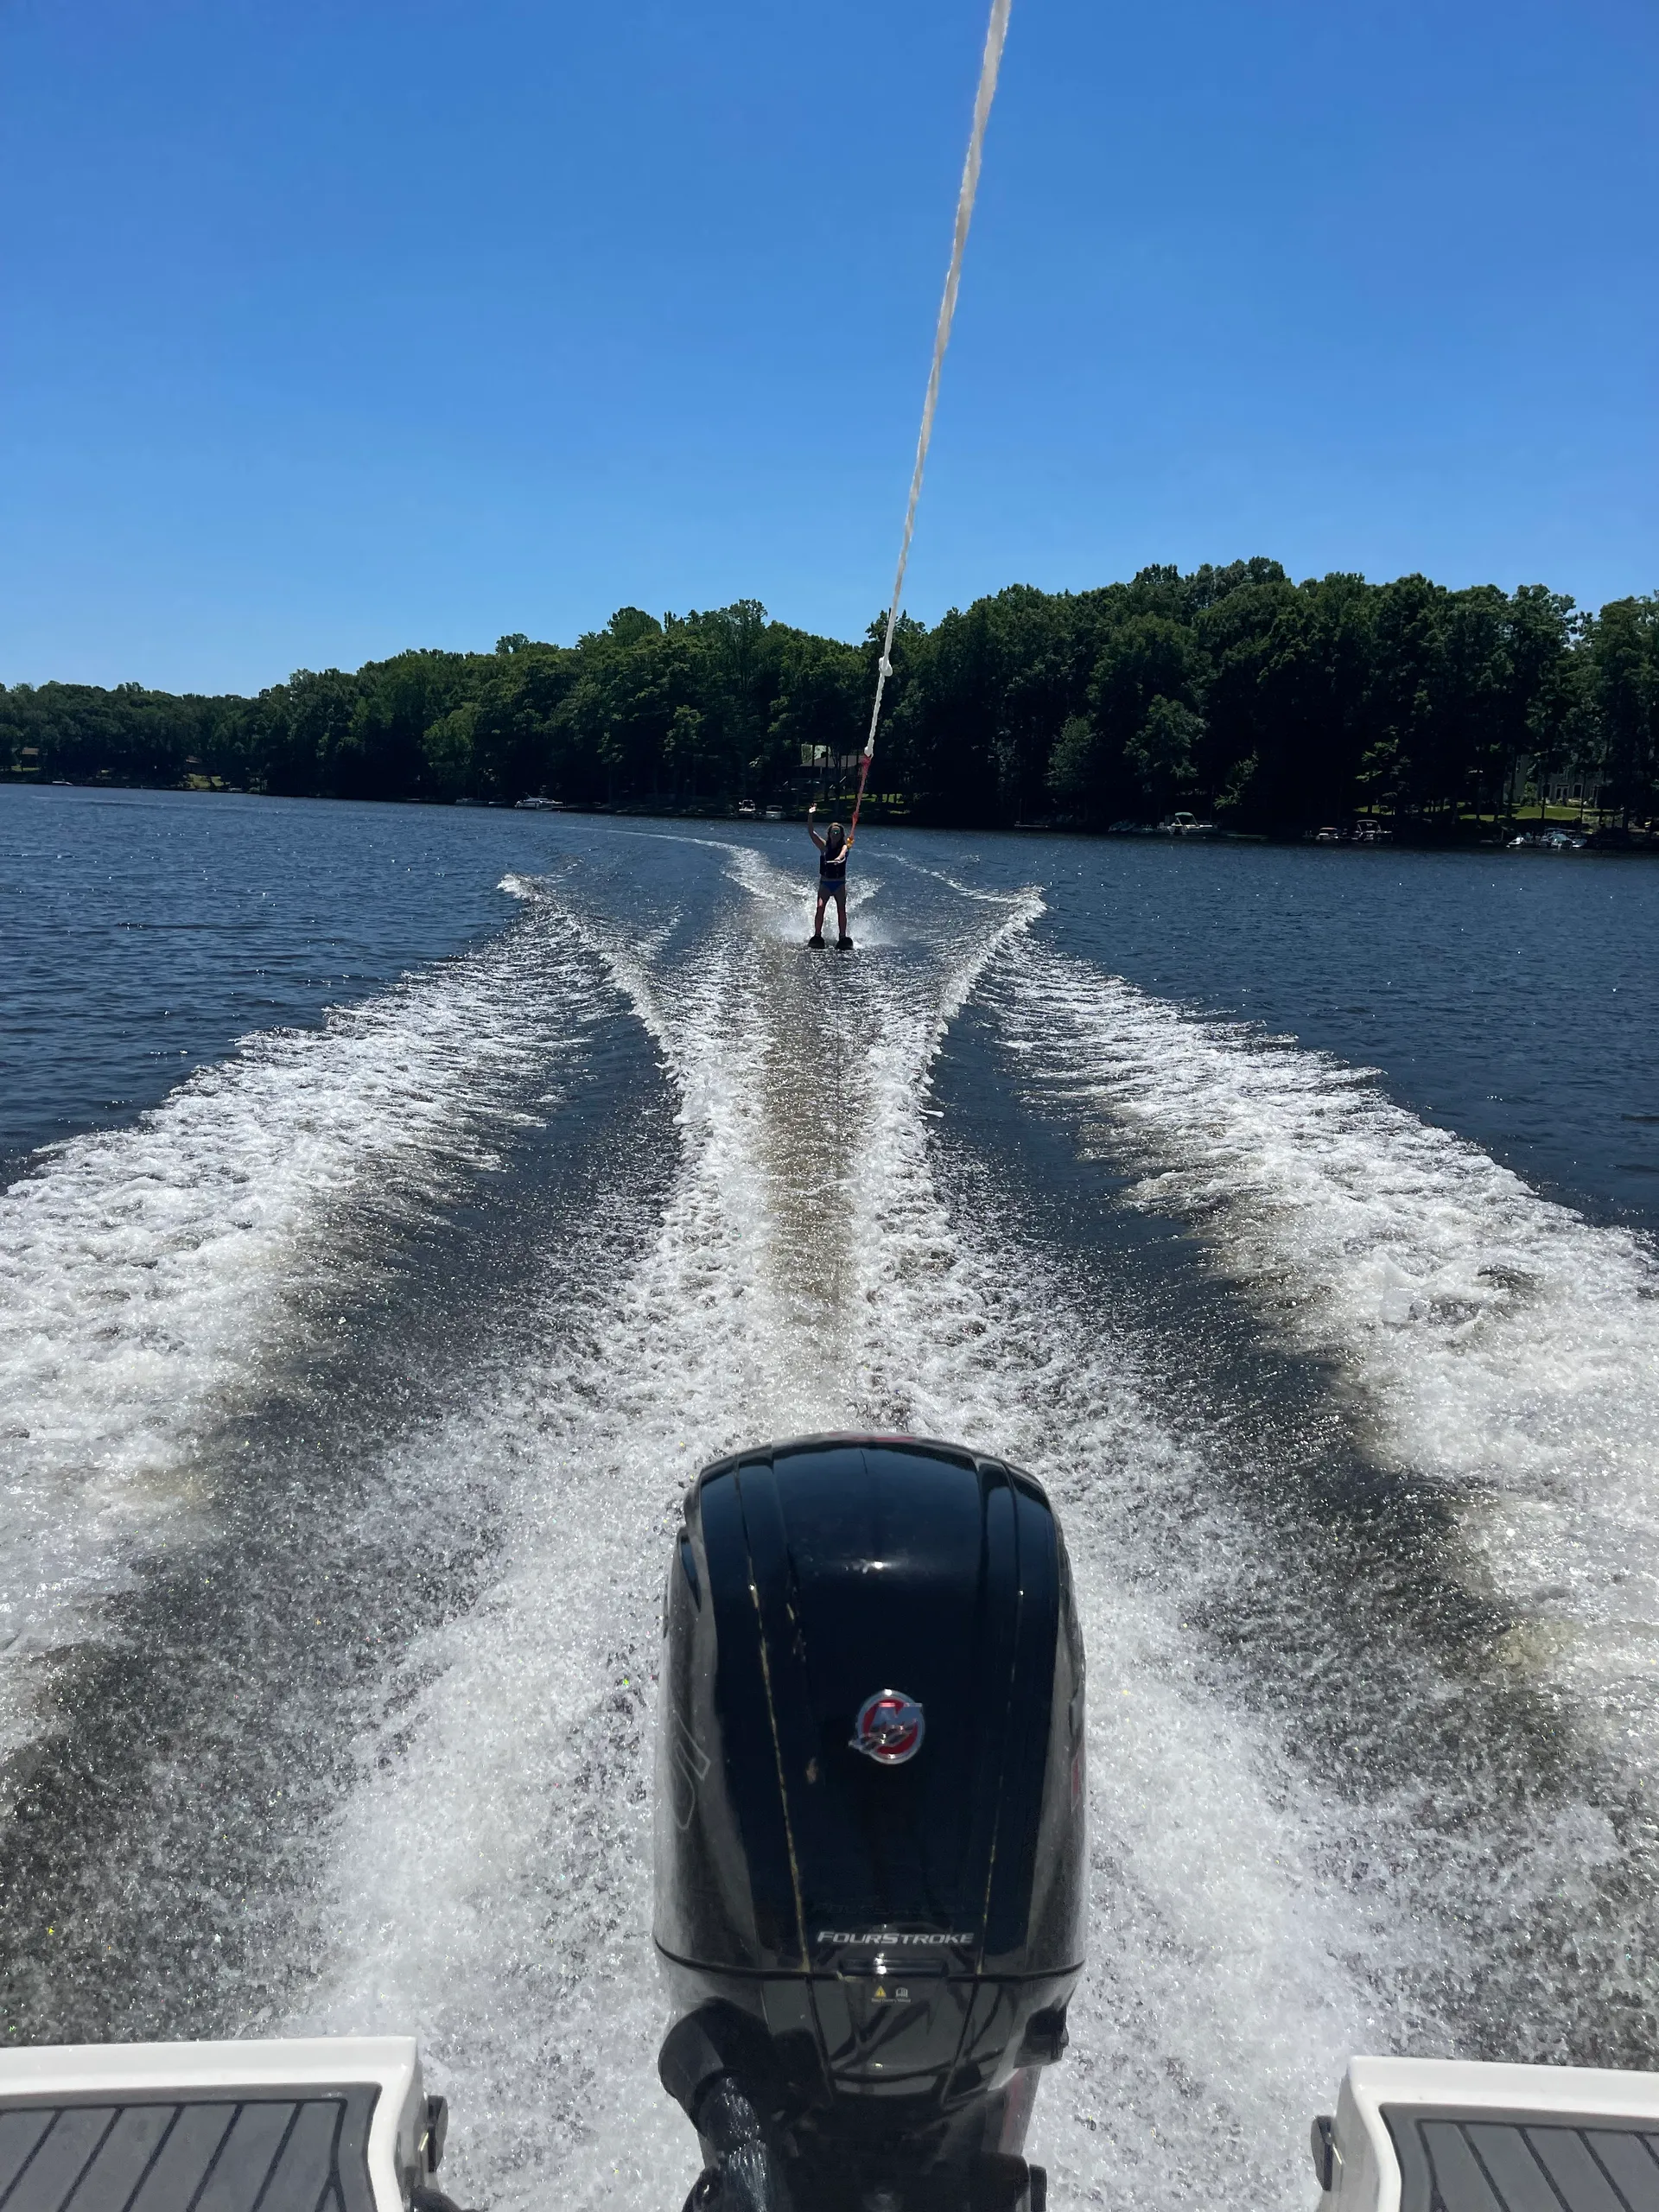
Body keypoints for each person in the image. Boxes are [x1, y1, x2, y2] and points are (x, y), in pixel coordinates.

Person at [807, 804, 854, 948]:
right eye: (833, 832)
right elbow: (811, 832)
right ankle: (817, 935)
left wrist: (838, 859)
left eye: (838, 833)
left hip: (839, 884)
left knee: (841, 908)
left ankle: (843, 936)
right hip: (825, 883)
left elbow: (842, 856)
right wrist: (810, 814)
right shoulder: (823, 846)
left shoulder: (845, 847)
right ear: (829, 834)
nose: (835, 835)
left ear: (841, 835)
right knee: (820, 907)